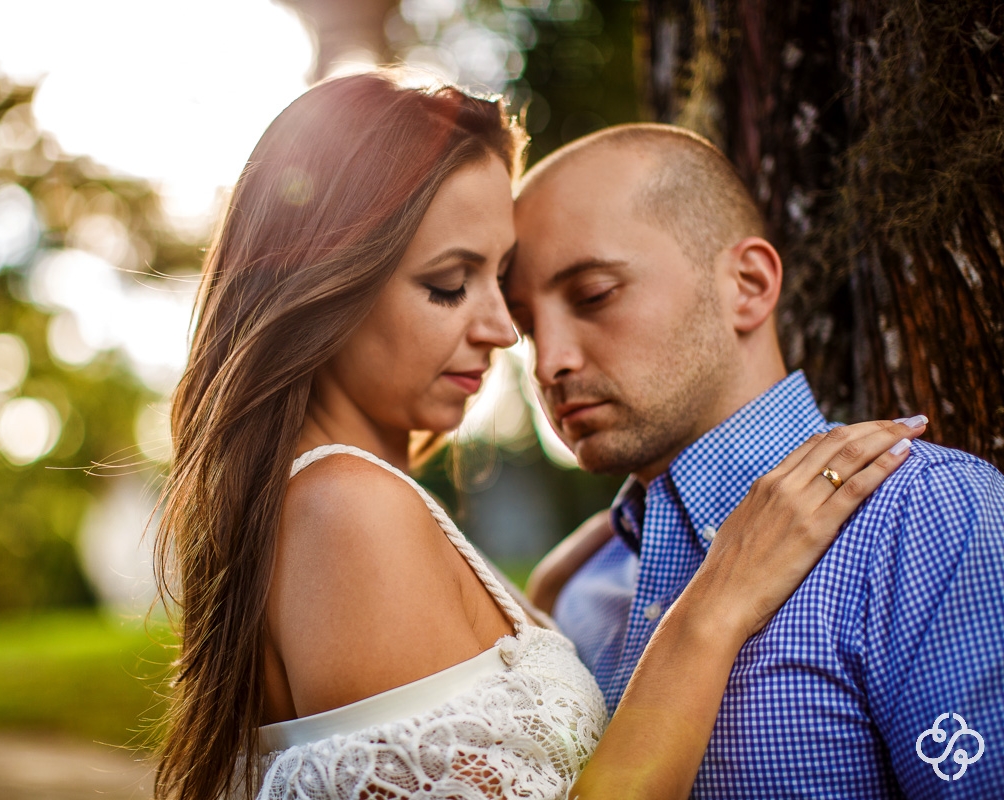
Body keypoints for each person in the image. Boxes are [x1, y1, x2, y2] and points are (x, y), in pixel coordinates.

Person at [152, 74, 924, 800]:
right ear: (324, 284)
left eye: (500, 287)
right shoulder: (346, 507)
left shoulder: (334, 507)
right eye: (451, 284)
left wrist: (538, 622)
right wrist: (712, 607)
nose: (502, 335)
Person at [509, 122, 1004, 797]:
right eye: (526, 326)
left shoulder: (927, 520)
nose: (550, 360)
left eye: (594, 294)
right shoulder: (579, 592)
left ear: (747, 284)